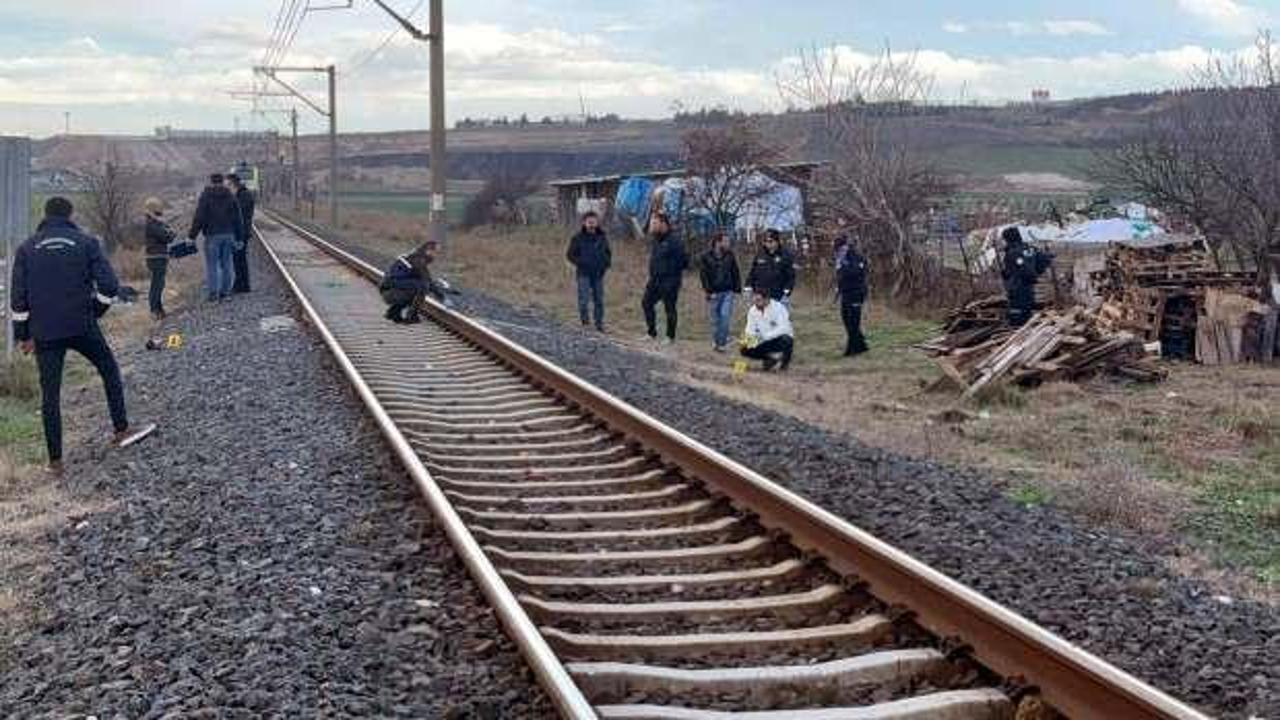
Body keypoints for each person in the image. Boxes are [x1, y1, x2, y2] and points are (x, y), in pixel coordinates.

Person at [9, 197, 156, 475]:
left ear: (45, 215)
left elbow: (18, 299)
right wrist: (96, 311)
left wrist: (24, 335)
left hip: (45, 333)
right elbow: (110, 286)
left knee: (50, 395)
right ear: (70, 215)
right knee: (109, 371)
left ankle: (55, 462)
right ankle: (121, 429)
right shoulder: (86, 243)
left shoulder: (27, 249)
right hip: (81, 325)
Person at [188, 173, 243, 302]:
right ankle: (226, 292)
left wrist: (192, 236)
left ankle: (214, 293)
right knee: (227, 264)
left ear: (211, 182)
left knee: (213, 265)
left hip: (212, 235)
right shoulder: (231, 196)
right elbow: (238, 219)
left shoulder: (206, 196)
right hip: (229, 235)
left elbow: (199, 218)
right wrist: (239, 237)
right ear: (223, 181)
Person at [640, 212, 687, 344]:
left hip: (670, 281)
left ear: (663, 224)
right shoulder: (656, 240)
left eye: (654, 223)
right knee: (646, 303)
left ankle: (670, 336)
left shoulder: (675, 241)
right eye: (652, 223)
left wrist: (672, 277)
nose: (652, 226)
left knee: (669, 308)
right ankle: (651, 333)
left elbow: (684, 262)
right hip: (654, 280)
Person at [565, 210, 611, 331]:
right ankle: (585, 323)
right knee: (584, 300)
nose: (591, 223)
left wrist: (605, 265)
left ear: (597, 222)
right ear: (584, 223)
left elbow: (608, 254)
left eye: (593, 221)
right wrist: (581, 262)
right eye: (589, 221)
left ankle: (599, 324)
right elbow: (570, 255)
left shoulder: (602, 237)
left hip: (598, 274)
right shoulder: (577, 238)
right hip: (583, 273)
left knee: (599, 300)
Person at [381, 241, 446, 324]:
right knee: (423, 286)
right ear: (428, 250)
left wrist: (438, 291)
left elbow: (424, 277)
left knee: (417, 286)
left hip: (389, 289)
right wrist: (441, 296)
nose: (437, 255)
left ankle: (393, 313)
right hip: (390, 292)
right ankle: (412, 317)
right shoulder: (418, 260)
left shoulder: (415, 257)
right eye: (436, 252)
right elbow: (427, 279)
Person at [1000, 226, 1053, 327]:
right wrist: (1036, 272)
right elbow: (1046, 258)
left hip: (1017, 287)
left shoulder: (1013, 252)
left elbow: (1018, 269)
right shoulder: (1030, 249)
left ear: (1008, 239)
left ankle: (1016, 334)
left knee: (1017, 314)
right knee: (1027, 311)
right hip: (1029, 287)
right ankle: (1026, 332)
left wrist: (1008, 276)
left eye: (1004, 239)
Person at [699, 230, 741, 352]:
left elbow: (735, 271)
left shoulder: (730, 255)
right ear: (718, 242)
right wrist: (708, 291)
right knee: (715, 320)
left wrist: (737, 288)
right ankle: (716, 341)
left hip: (728, 291)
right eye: (726, 241)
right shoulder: (706, 256)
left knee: (725, 316)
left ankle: (722, 343)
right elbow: (703, 275)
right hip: (713, 293)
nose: (728, 243)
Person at [740, 289, 794, 371]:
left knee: (786, 340)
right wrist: (748, 339)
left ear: (767, 299)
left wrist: (765, 336)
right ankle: (770, 358)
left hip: (778, 338)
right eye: (754, 300)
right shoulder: (753, 310)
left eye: (758, 300)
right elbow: (750, 328)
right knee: (744, 348)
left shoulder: (778, 308)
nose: (755, 303)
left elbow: (784, 328)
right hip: (763, 340)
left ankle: (784, 363)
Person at [835, 235, 869, 356]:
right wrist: (838, 288)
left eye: (841, 248)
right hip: (846, 293)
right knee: (846, 320)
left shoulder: (856, 257)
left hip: (856, 293)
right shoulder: (840, 258)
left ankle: (852, 350)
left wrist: (843, 266)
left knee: (853, 322)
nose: (839, 251)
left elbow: (856, 272)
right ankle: (862, 345)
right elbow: (841, 276)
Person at [143, 197, 176, 321]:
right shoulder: (151, 224)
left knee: (159, 284)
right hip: (155, 257)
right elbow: (167, 237)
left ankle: (159, 310)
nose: (160, 213)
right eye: (157, 211)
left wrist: (166, 228)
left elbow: (168, 234)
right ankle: (154, 311)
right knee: (157, 285)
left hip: (158, 257)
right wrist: (169, 231)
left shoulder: (154, 223)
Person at [745, 229, 796, 306]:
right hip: (761, 295)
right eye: (766, 241)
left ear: (777, 241)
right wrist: (748, 287)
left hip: (778, 295)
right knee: (760, 317)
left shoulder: (785, 256)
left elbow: (790, 276)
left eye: (770, 241)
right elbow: (753, 273)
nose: (768, 244)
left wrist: (786, 292)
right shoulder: (760, 255)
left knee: (778, 317)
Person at [227, 173, 255, 294]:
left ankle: (241, 286)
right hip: (239, 231)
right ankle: (242, 285)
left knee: (239, 259)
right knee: (238, 259)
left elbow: (238, 213)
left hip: (241, 232)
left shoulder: (244, 196)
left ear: (233, 184)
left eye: (228, 184)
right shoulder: (242, 194)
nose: (226, 187)